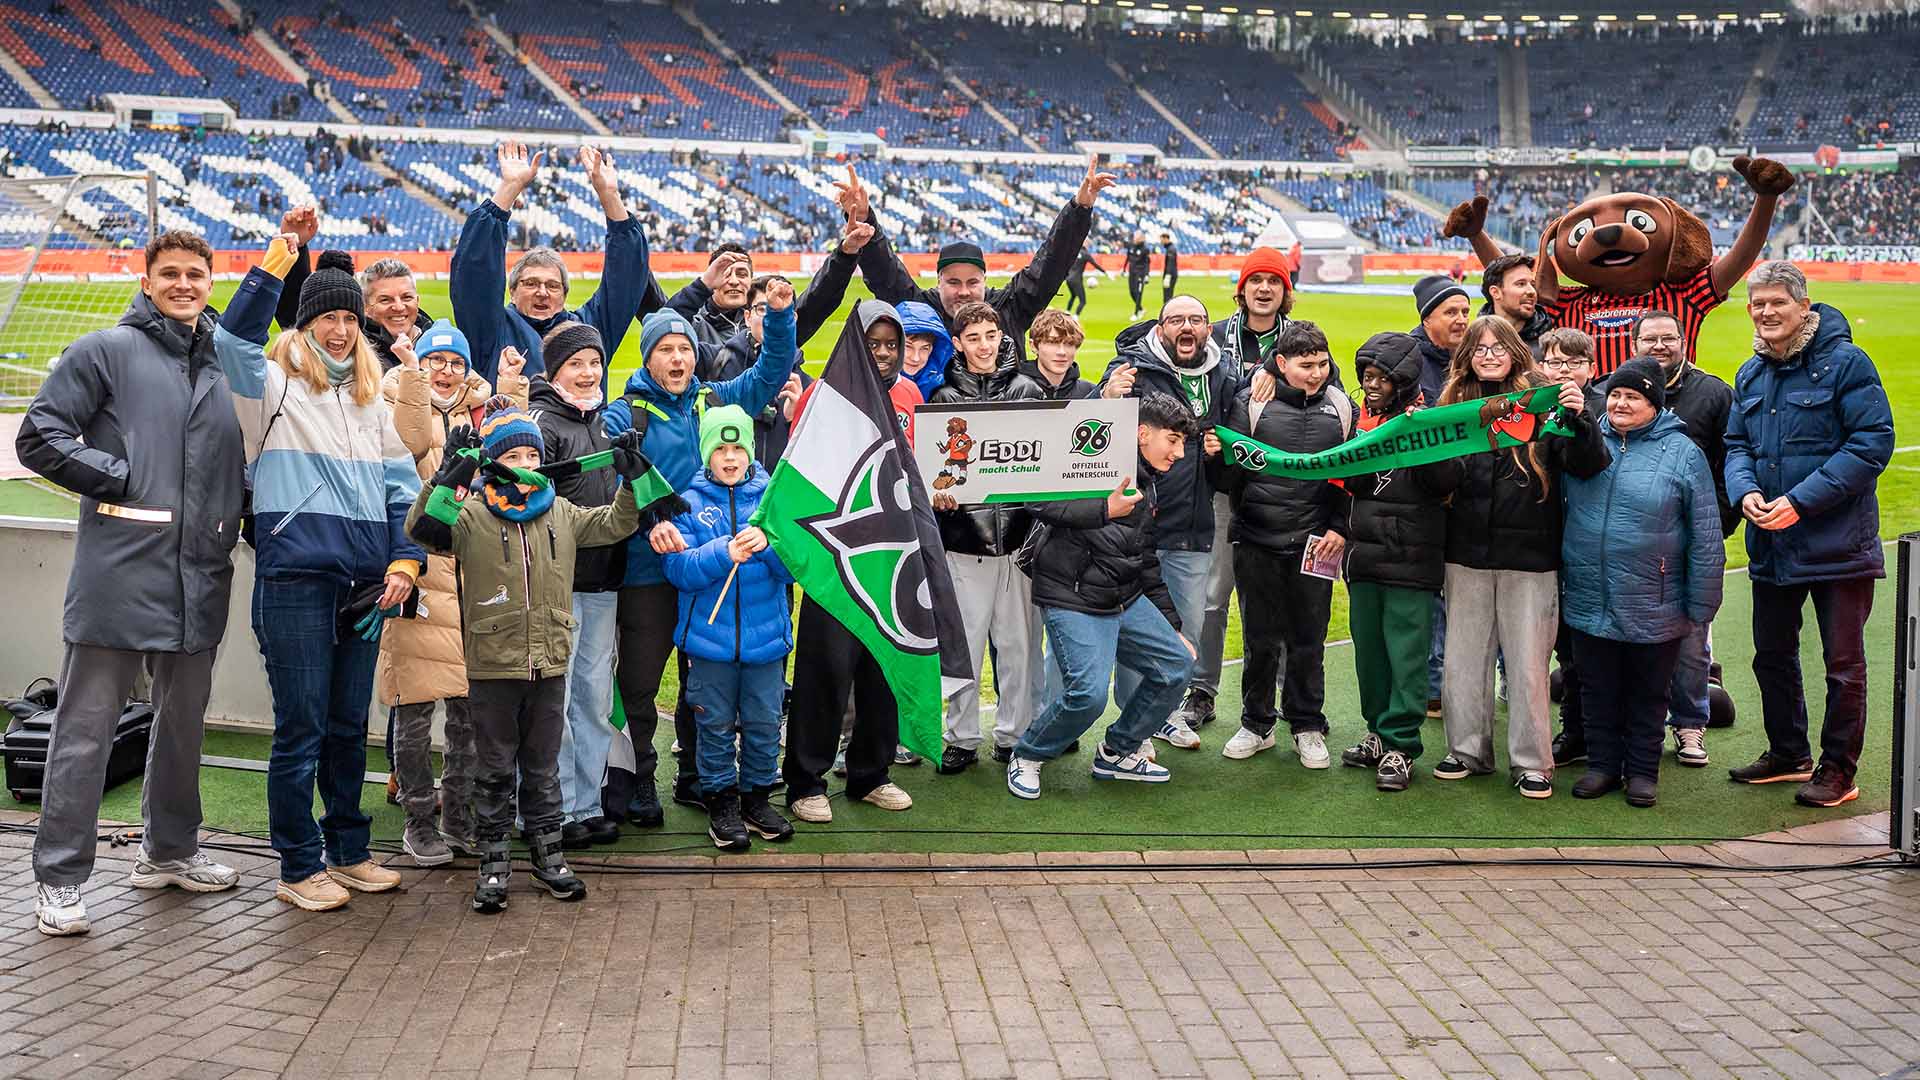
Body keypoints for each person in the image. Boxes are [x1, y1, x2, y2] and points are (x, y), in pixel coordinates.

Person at [17, 229, 245, 936]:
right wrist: (121, 478)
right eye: (170, 273)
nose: (184, 284)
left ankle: (169, 851)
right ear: (146, 281)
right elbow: (39, 435)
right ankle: (59, 877)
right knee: (83, 733)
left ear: (212, 282)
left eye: (196, 274)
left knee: (181, 730)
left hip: (198, 578)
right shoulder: (106, 351)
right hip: (121, 572)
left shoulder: (218, 364)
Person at [215, 236, 420, 910]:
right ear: (303, 326)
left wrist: (404, 559)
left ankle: (350, 851)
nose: (339, 330)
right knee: (300, 728)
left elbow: (400, 495)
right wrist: (277, 257)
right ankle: (299, 866)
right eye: (325, 319)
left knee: (345, 727)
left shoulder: (371, 402)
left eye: (349, 320)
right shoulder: (270, 388)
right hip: (295, 583)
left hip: (366, 586)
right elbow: (233, 338)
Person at [405, 403, 660, 912]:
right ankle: (495, 860)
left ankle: (549, 855)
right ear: (493, 464)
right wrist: (446, 479)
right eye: (513, 454)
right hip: (492, 666)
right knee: (494, 768)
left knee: (542, 766)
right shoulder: (472, 514)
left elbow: (615, 524)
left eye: (532, 454)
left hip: (548, 662)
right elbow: (423, 530)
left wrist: (631, 481)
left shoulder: (560, 513)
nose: (525, 462)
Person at [602, 283, 799, 819]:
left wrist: (779, 317)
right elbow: (612, 467)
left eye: (685, 347)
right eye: (665, 348)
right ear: (648, 357)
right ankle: (642, 777)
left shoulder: (714, 400)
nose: (677, 357)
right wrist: (650, 520)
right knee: (642, 682)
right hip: (648, 570)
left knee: (703, 679)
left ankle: (695, 776)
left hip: (714, 568)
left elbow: (772, 370)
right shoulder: (627, 414)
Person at [1724, 261, 1893, 808]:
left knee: (1842, 666)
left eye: (1777, 302)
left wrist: (1800, 502)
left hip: (1838, 544)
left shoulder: (1846, 363)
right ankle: (1788, 752)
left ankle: (1838, 770)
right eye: (1758, 303)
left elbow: (1871, 446)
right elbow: (1736, 446)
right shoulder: (1750, 373)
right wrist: (1744, 490)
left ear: (1803, 307)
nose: (1766, 312)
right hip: (1771, 541)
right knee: (1771, 654)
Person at [1433, 317, 1607, 799]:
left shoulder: (1543, 401)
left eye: (1498, 346)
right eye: (1479, 347)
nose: (1489, 355)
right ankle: (1466, 749)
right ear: (1467, 354)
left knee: (1530, 665)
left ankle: (1532, 761)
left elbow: (1590, 465)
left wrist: (1579, 416)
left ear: (1515, 351)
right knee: (1463, 661)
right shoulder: (1449, 407)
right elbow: (1434, 485)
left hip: (1531, 556)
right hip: (1465, 553)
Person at [378, 320, 527, 865]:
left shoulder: (482, 407)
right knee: (414, 709)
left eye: (456, 363)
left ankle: (458, 815)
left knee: (470, 713)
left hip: (471, 575)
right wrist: (414, 374)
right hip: (419, 570)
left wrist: (511, 387)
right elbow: (412, 438)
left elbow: (512, 452)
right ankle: (418, 820)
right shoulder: (398, 396)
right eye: (437, 361)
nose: (447, 371)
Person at [1005, 392, 1199, 799]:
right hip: (1072, 597)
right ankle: (1027, 755)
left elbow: (1145, 560)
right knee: (1087, 696)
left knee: (1177, 664)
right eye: (1174, 440)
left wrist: (1172, 626)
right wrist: (1103, 510)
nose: (1180, 452)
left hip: (1124, 597)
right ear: (1142, 433)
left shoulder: (1149, 480)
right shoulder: (1091, 458)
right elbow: (1036, 500)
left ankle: (1118, 751)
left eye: (1184, 443)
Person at [782, 301, 925, 822]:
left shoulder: (910, 395)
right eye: (873, 344)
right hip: (837, 558)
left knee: (882, 670)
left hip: (892, 559)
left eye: (892, 345)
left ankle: (871, 773)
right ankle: (805, 781)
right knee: (826, 671)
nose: (884, 354)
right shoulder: (823, 397)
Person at [1561, 358, 1725, 808]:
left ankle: (1641, 771)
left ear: (1654, 403)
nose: (1620, 403)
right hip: (1589, 592)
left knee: (1648, 693)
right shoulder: (1584, 437)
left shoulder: (1683, 453)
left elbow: (1706, 533)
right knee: (1595, 687)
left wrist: (1701, 604)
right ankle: (1601, 766)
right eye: (1615, 394)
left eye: (1633, 396)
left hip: (1655, 598)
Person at [1218, 322, 1353, 770]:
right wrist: (1211, 455)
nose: (1316, 373)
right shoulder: (1250, 404)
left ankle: (1307, 724)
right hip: (1256, 539)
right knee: (1259, 638)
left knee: (1308, 638)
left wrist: (1339, 526)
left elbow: (1352, 476)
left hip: (1317, 544)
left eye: (1321, 364)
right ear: (1280, 363)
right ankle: (1256, 724)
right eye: (1305, 365)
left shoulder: (1341, 407)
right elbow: (1229, 476)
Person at [662, 406, 796, 852]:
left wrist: (771, 546)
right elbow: (679, 569)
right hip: (710, 646)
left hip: (765, 646)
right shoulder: (688, 502)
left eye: (738, 447)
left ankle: (757, 798)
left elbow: (799, 567)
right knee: (714, 725)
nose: (731, 456)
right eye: (720, 447)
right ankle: (721, 800)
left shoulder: (775, 499)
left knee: (763, 723)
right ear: (707, 453)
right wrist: (723, 552)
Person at [1099, 296, 1231, 749]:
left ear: (1209, 328)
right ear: (1160, 328)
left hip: (1193, 526)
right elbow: (1096, 434)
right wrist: (1106, 397)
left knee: (1186, 629)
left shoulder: (1223, 372)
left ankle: (1167, 712)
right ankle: (1135, 722)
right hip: (1138, 525)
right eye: (1176, 320)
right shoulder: (1131, 369)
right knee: (1140, 631)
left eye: (1196, 319)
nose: (1187, 326)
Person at [839, 159, 1115, 371]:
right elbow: (885, 273)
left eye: (972, 282)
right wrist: (864, 218)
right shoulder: (921, 310)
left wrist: (1079, 210)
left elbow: (1051, 264)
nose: (963, 291)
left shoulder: (1011, 308)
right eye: (953, 282)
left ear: (984, 280)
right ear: (939, 282)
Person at [1336, 333, 1460, 792]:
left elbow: (1448, 480)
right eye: (1366, 377)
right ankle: (1377, 731)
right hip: (1364, 558)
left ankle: (1402, 745)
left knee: (1406, 657)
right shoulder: (1363, 424)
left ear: (1403, 381)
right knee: (1369, 656)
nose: (1370, 386)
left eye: (1380, 379)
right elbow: (1353, 485)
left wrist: (1420, 436)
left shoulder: (1432, 423)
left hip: (1413, 561)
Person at [1186, 246, 1303, 731]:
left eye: (1273, 282)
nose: (1263, 289)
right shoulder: (1213, 338)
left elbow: (1322, 388)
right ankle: (1201, 689)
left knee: (1271, 597)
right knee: (1213, 596)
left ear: (1284, 291)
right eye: (1255, 280)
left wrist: (1281, 376)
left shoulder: (1299, 339)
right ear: (1242, 289)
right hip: (1220, 485)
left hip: (1277, 490)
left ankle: (1275, 691)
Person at [527, 323, 632, 843]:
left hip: (604, 579)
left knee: (591, 696)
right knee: (558, 697)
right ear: (555, 371)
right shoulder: (543, 424)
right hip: (558, 585)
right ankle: (557, 807)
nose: (589, 373)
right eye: (577, 364)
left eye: (595, 363)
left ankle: (588, 803)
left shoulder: (606, 423)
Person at [930, 303, 1043, 774]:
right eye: (973, 336)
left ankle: (1015, 734)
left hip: (1017, 543)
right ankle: (961, 736)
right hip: (964, 543)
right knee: (966, 645)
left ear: (1002, 338)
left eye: (990, 335)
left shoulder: (1028, 391)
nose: (983, 344)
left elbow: (1044, 468)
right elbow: (936, 475)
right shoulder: (942, 399)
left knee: (1018, 645)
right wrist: (941, 496)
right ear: (958, 343)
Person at [449, 142, 657, 383]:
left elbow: (627, 277)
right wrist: (510, 188)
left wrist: (610, 196)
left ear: (565, 294)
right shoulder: (492, 330)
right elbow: (473, 273)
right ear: (512, 291)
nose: (542, 292)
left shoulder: (587, 330)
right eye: (531, 283)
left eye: (553, 285)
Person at [1630, 309, 1737, 769]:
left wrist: (1717, 522)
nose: (1659, 346)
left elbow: (1733, 463)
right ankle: (1640, 727)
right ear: (1634, 345)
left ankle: (1691, 724)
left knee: (1692, 640)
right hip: (1637, 541)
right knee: (1635, 638)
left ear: (1682, 340)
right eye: (1649, 339)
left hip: (1695, 541)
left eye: (1667, 338)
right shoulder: (1618, 391)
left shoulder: (1714, 393)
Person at [702, 219, 877, 468]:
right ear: (747, 314)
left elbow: (820, 297)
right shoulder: (715, 356)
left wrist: (796, 422)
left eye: (741, 274)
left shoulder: (803, 381)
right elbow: (663, 321)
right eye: (762, 309)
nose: (733, 281)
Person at [1537, 328, 1604, 771]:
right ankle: (1575, 730)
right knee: (1564, 649)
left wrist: (1580, 419)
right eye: (1557, 363)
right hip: (1545, 543)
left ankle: (1594, 733)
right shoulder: (1530, 408)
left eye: (1575, 364)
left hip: (1589, 545)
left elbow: (1589, 465)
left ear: (1591, 369)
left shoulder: (1603, 407)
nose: (1566, 372)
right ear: (1542, 366)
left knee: (1589, 648)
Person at [1409, 273, 1473, 719]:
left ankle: (1458, 681)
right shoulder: (1408, 359)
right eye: (1451, 311)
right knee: (1432, 597)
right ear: (1427, 316)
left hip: (1466, 495)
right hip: (1424, 500)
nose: (1462, 320)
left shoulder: (1472, 359)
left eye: (1466, 312)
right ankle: (1433, 687)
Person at [1480, 253, 1551, 358]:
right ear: (1495, 292)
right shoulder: (1473, 341)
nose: (1532, 291)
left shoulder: (1550, 346)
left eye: (1532, 285)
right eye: (1521, 284)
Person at [1021, 309, 1096, 400]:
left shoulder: (1090, 393)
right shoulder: (1013, 390)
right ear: (1033, 346)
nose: (1062, 352)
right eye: (1052, 342)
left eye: (1069, 343)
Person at [898, 299, 955, 404]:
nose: (916, 358)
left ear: (932, 350)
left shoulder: (944, 386)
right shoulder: (875, 385)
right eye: (908, 347)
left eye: (924, 348)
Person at [1063, 245, 1106, 315]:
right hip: (1076, 280)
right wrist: (1105, 272)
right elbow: (1095, 264)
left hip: (1068, 279)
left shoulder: (1074, 253)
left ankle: (1067, 312)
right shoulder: (1086, 254)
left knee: (1073, 296)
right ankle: (1076, 317)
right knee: (1083, 301)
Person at [1123, 230, 1152, 321]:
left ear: (1141, 238)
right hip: (1132, 273)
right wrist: (1124, 269)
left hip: (1141, 273)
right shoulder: (1131, 247)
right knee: (1132, 292)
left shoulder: (1145, 249)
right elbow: (1128, 258)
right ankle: (1141, 309)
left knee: (1139, 293)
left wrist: (1147, 275)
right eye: (1135, 237)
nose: (1135, 238)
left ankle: (1136, 313)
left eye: (1137, 237)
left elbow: (1147, 263)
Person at [1159, 231, 1179, 306]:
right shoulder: (1170, 248)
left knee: (1167, 295)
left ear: (1165, 239)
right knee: (1168, 295)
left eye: (1161, 239)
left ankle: (1168, 312)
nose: (1161, 241)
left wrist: (1168, 275)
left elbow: (1171, 263)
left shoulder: (1171, 249)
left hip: (1170, 275)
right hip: (1171, 274)